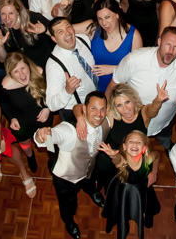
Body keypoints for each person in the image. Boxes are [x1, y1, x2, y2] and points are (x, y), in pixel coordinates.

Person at [34, 91, 110, 239]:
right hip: (67, 179)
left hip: (89, 169)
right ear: (84, 109)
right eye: (93, 108)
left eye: (102, 109)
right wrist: (41, 135)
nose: (98, 114)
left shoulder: (106, 121)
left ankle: (92, 191)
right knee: (68, 205)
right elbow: (53, 134)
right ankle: (68, 222)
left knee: (90, 182)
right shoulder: (69, 131)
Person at [107, 27, 176, 149]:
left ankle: (166, 144)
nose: (170, 51)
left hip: (164, 121)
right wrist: (107, 111)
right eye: (167, 44)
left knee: (164, 138)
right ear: (159, 42)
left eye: (175, 47)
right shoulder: (134, 59)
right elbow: (114, 84)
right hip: (132, 122)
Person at [99, 130, 162, 239]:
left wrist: (154, 172)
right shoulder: (123, 160)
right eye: (131, 141)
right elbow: (117, 160)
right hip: (124, 188)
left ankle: (146, 216)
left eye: (139, 142)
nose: (134, 144)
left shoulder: (147, 159)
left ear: (144, 148)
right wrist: (113, 156)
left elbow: (157, 156)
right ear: (124, 146)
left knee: (148, 205)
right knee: (121, 209)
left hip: (142, 188)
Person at [0, 52, 51, 173]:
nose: (22, 74)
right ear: (10, 73)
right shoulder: (5, 85)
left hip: (44, 116)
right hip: (22, 121)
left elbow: (53, 92)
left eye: (23, 68)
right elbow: (3, 102)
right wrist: (12, 118)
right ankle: (30, 157)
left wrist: (48, 108)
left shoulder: (40, 72)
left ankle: (52, 156)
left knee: (49, 139)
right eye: (16, 71)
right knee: (24, 142)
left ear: (28, 65)